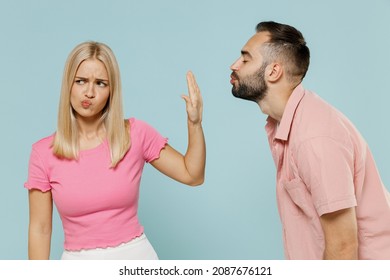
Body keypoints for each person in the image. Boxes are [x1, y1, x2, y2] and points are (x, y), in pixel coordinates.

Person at [25, 41, 205, 260]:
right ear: (68, 85)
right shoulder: (43, 153)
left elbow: (192, 175)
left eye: (100, 83)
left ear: (112, 91)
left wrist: (194, 124)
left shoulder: (135, 134)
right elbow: (40, 229)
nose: (89, 92)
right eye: (81, 81)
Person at [230, 21, 390, 259]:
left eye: (245, 59)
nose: (234, 65)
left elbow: (344, 247)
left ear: (273, 71)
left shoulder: (314, 136)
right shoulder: (284, 125)